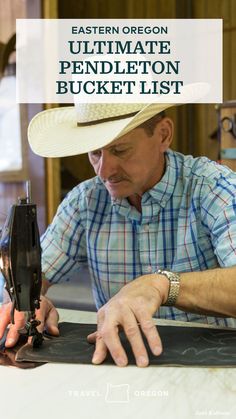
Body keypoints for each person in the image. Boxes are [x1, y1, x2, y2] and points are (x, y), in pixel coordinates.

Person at [0, 102, 236, 368]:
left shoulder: (212, 187)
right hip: (117, 372)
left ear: (163, 135)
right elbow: (27, 278)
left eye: (119, 150)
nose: (104, 171)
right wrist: (28, 302)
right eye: (95, 152)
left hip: (213, 370)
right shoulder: (85, 201)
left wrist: (162, 286)